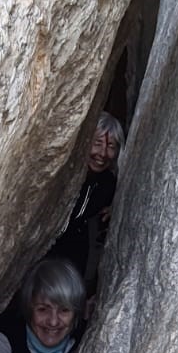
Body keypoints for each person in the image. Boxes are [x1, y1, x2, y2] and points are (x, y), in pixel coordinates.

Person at [50, 111, 124, 289]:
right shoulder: (65, 175)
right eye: (97, 143)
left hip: (75, 266)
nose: (103, 153)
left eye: (111, 146)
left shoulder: (107, 184)